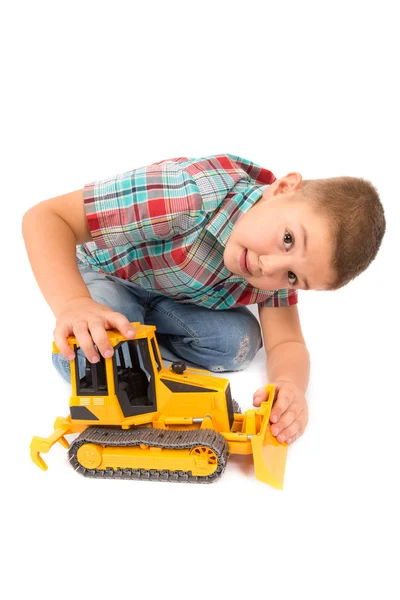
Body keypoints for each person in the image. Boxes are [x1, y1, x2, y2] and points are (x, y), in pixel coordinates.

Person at [22, 153, 386, 445]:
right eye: (288, 239)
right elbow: (45, 218)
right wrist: (73, 303)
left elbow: (287, 342)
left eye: (292, 276)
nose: (268, 267)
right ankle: (117, 331)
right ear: (284, 188)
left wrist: (290, 387)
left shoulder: (273, 275)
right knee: (91, 360)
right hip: (107, 273)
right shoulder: (186, 193)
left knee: (240, 342)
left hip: (169, 295)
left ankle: (142, 338)